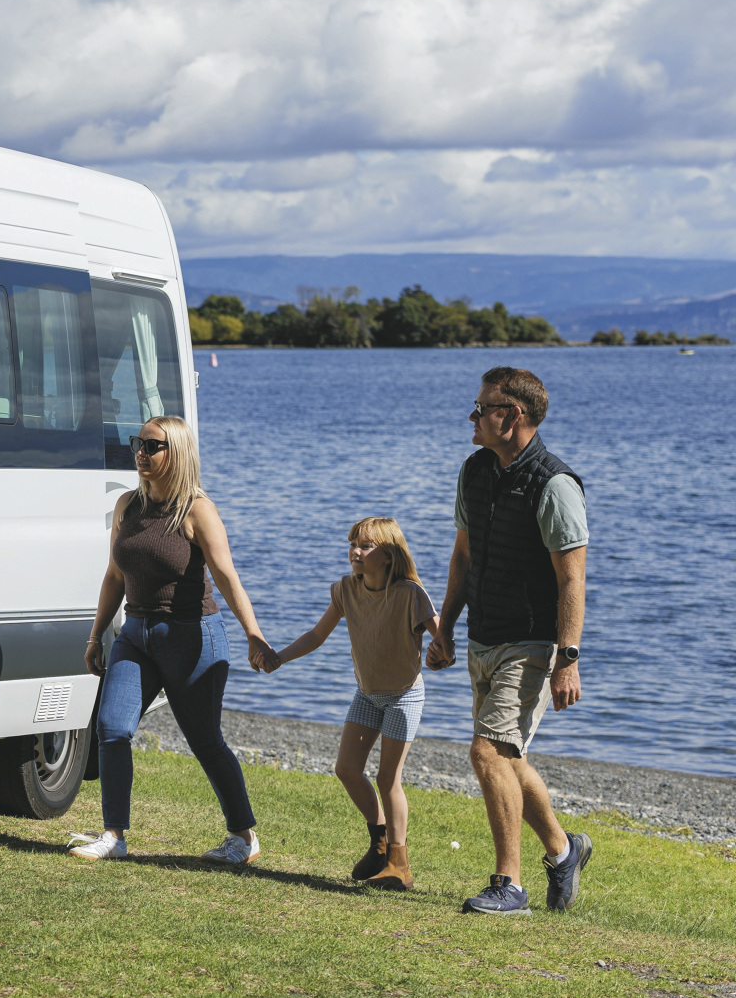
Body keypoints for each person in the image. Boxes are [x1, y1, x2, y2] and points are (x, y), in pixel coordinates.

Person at [69, 415, 275, 864]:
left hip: (192, 637)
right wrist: (95, 636)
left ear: (176, 453)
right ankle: (113, 835)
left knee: (205, 741)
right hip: (135, 635)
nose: (140, 453)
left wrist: (254, 635)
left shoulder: (197, 510)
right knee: (111, 729)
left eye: (152, 446)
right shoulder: (127, 505)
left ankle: (243, 837)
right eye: (138, 443)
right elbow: (114, 576)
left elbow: (226, 577)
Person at [431, 366, 592, 915]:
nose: (472, 417)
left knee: (488, 751)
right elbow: (463, 556)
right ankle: (564, 850)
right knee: (509, 757)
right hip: (483, 637)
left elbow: (572, 580)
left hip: (532, 642)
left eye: (482, 409)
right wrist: (445, 626)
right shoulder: (476, 469)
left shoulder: (555, 485)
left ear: (513, 415)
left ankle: (510, 886)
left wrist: (567, 659)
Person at [266, 517, 444, 891]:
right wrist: (279, 657)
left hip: (404, 695)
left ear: (389, 554)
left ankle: (399, 864)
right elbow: (317, 635)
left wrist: (442, 651)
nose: (355, 552)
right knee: (346, 769)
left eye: (365, 546)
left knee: (387, 778)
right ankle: (379, 843)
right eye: (352, 544)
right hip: (367, 693)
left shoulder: (410, 594)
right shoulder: (346, 590)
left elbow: (443, 637)